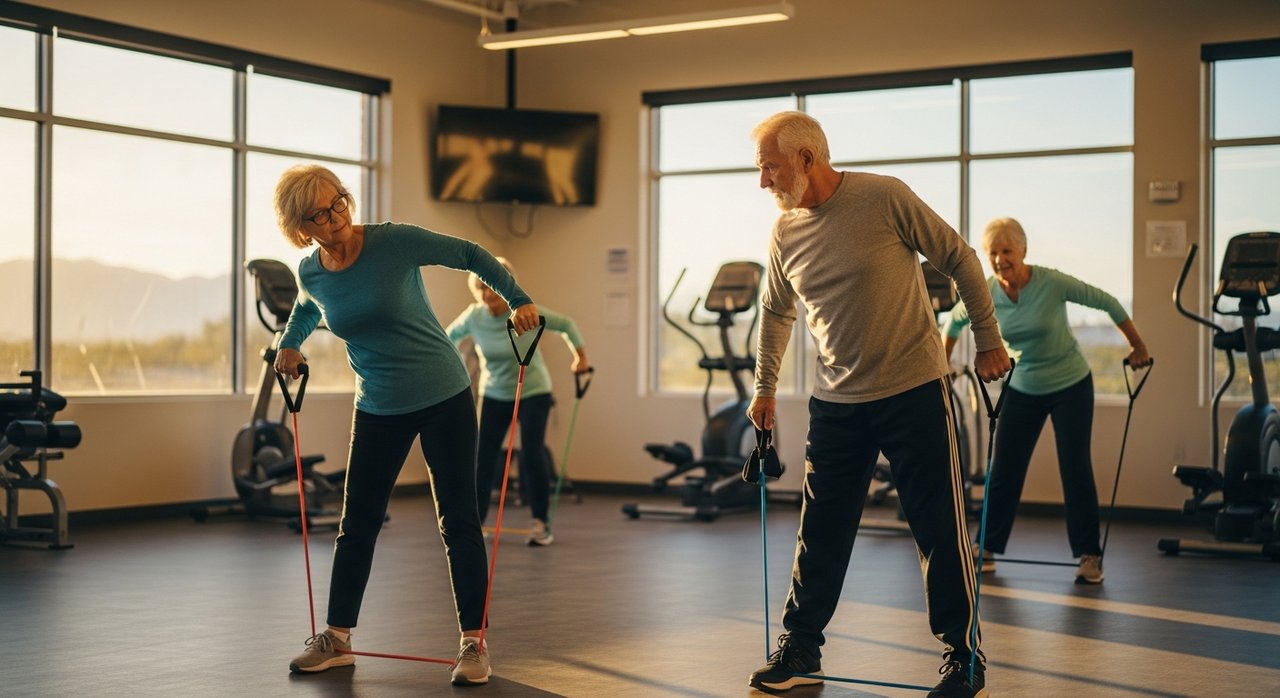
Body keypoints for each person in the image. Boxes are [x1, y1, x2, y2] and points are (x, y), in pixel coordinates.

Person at [745, 111, 1010, 698]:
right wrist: (765, 387)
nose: (762, 180)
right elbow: (775, 312)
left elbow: (962, 258)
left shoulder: (884, 197)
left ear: (807, 158)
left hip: (914, 390)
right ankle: (802, 647)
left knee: (939, 529)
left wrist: (988, 339)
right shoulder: (784, 232)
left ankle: (963, 659)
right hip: (835, 403)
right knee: (821, 530)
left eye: (770, 166)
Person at [271, 164, 540, 687]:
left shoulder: (393, 242)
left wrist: (518, 297)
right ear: (301, 227)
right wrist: (290, 341)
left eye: (340, 202)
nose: (336, 217)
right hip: (377, 404)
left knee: (458, 521)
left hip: (443, 393)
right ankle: (337, 639)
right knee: (357, 525)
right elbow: (309, 307)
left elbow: (469, 253)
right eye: (320, 214)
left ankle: (473, 644)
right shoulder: (312, 271)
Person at [943, 217, 1151, 585]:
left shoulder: (1051, 282)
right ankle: (987, 547)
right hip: (1022, 386)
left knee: (1074, 467)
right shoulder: (985, 290)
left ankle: (1089, 555)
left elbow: (1106, 301)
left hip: (1070, 383)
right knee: (1004, 468)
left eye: (1007, 250)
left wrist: (1138, 345)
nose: (1000, 258)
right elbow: (954, 322)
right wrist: (944, 362)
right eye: (993, 252)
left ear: (1023, 251)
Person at [446, 257, 590, 546]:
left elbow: (566, 325)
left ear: (506, 288)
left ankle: (540, 523)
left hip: (533, 391)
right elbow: (447, 336)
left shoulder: (524, 312)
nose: (489, 296)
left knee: (531, 454)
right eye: (483, 289)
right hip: (494, 393)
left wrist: (580, 358)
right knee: (483, 458)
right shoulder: (473, 317)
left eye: (495, 289)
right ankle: (477, 523)